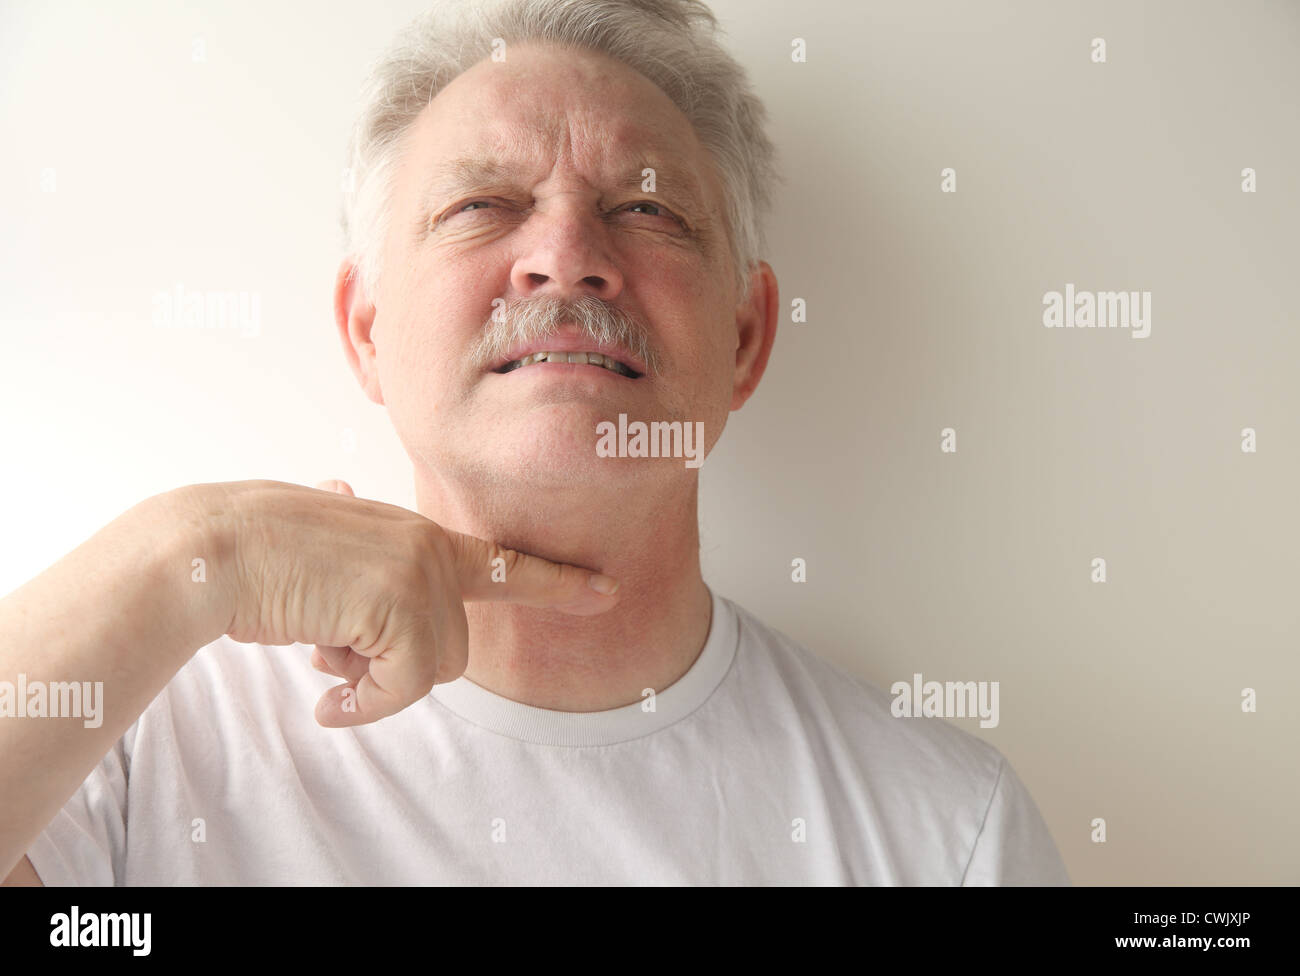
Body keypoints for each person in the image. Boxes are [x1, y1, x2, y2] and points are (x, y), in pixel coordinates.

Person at [0, 0, 1068, 885]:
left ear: (745, 338)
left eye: (646, 212)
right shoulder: (129, 748)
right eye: (482, 204)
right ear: (366, 331)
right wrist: (196, 554)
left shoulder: (943, 836)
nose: (565, 256)